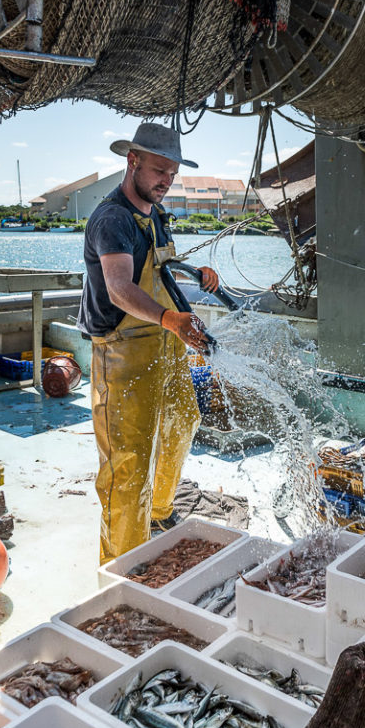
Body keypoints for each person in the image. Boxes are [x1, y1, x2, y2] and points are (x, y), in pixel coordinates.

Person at [77, 123, 219, 564]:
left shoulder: (154, 215)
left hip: (164, 343)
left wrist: (197, 274)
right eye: (160, 170)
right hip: (122, 351)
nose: (166, 181)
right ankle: (122, 565)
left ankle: (159, 513)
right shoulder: (112, 219)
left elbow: (158, 269)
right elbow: (119, 287)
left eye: (172, 174)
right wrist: (168, 318)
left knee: (182, 420)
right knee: (129, 462)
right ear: (132, 161)